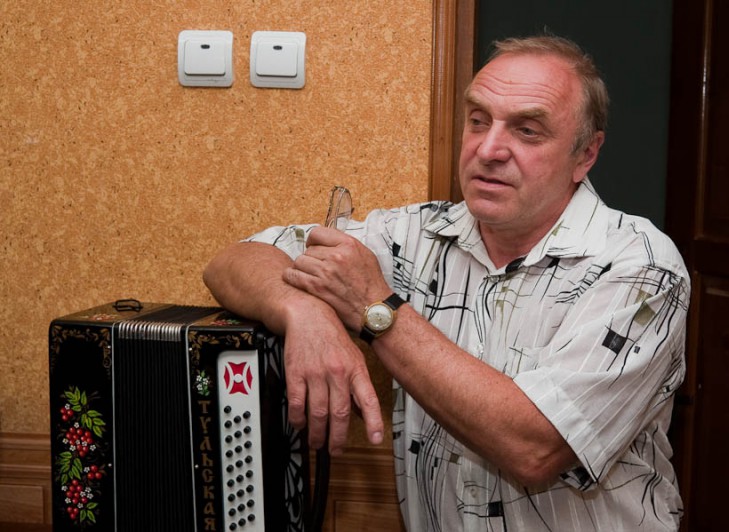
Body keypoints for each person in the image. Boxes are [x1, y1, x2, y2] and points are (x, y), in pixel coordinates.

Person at [204, 34, 689, 531]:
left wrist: (377, 310)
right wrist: (302, 311)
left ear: (585, 154)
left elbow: (536, 446)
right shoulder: (414, 236)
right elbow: (234, 260)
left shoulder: (641, 267)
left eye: (527, 130)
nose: (488, 149)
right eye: (478, 120)